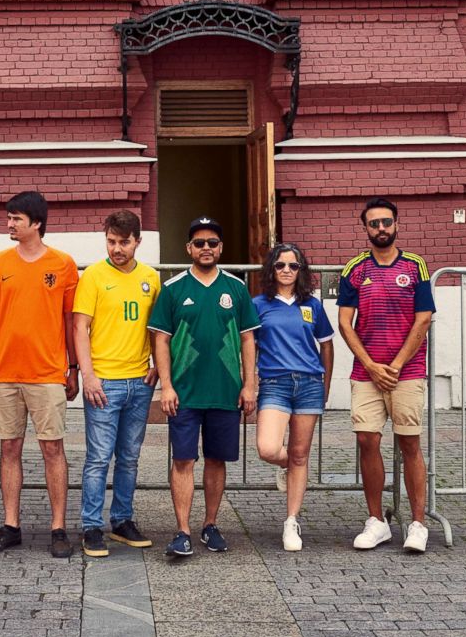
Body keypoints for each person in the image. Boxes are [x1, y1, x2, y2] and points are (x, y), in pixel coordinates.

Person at [147, 216, 260, 557]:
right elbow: (161, 340)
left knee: (216, 459)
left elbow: (248, 339)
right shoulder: (173, 288)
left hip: (225, 390)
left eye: (212, 243)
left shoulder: (236, 289)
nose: (206, 248)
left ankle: (210, 525)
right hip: (185, 393)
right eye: (199, 243)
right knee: (183, 459)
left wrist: (249, 385)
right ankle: (182, 531)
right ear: (188, 248)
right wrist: (166, 386)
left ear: (221, 248)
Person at [0, 191, 80, 558]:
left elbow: (70, 320)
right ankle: (11, 525)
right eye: (9, 217)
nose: (9, 223)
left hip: (48, 372)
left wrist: (73, 368)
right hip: (5, 372)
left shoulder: (63, 264)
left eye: (16, 218)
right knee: (9, 448)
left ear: (36, 223)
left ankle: (58, 527)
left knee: (53, 448)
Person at [337, 198, 436, 553]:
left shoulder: (415, 266)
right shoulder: (354, 269)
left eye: (387, 222)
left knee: (409, 443)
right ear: (364, 227)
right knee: (367, 441)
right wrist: (372, 366)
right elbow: (345, 323)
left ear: (396, 225)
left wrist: (394, 366)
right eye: (374, 223)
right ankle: (377, 521)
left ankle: (418, 524)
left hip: (406, 372)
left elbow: (423, 319)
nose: (381, 228)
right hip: (366, 373)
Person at [74, 210, 160, 558]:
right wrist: (88, 375)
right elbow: (80, 328)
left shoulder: (151, 278)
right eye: (111, 241)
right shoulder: (93, 276)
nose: (117, 249)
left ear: (138, 240)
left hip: (140, 381)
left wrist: (156, 365)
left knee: (129, 457)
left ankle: (122, 520)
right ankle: (91, 526)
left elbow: (158, 329)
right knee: (98, 458)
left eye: (124, 242)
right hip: (104, 382)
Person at [253, 243, 334, 551]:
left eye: (293, 265)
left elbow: (326, 345)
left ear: (302, 271)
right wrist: (249, 383)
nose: (287, 270)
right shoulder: (259, 304)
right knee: (268, 447)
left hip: (309, 383)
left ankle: (291, 521)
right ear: (271, 270)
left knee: (300, 454)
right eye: (280, 265)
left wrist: (325, 383)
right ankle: (290, 466)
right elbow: (250, 346)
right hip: (275, 382)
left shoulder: (312, 305)